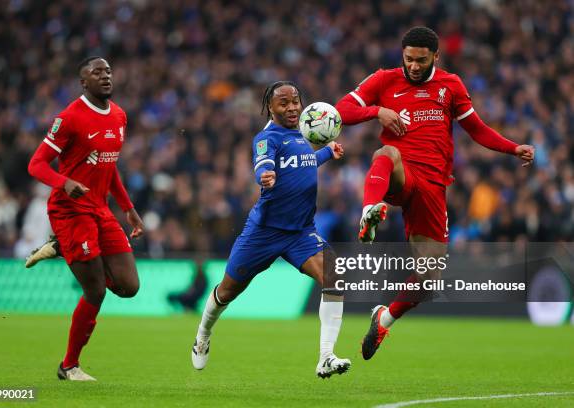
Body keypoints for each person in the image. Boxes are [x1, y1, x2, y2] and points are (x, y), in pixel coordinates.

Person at [335, 27, 534, 361]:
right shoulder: (383, 80)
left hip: (433, 186)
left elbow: (476, 129)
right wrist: (377, 111)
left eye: (421, 60)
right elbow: (342, 110)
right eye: (409, 59)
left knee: (429, 279)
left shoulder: (450, 85)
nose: (413, 65)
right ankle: (371, 209)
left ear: (435, 57)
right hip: (402, 174)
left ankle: (384, 319)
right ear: (402, 55)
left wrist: (513, 149)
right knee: (386, 154)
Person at [191, 81, 349, 378]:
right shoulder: (268, 137)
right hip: (263, 233)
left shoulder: (302, 135)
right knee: (226, 292)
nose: (292, 108)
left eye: (295, 101)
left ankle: (326, 356)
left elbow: (303, 164)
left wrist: (327, 152)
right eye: (284, 103)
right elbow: (262, 162)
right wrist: (264, 175)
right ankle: (202, 335)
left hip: (300, 232)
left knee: (334, 276)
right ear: (270, 108)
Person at [27, 56, 145, 381]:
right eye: (97, 72)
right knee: (95, 292)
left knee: (129, 286)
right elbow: (36, 164)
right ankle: (69, 366)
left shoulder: (119, 115)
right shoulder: (69, 118)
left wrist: (128, 208)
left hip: (100, 209)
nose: (105, 76)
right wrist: (64, 182)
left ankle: (65, 249)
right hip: (70, 209)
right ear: (84, 82)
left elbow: (109, 166)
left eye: (108, 71)